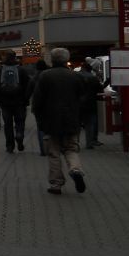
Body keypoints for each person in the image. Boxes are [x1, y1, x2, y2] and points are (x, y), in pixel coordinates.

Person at [32, 47, 87, 195]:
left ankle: (56, 184)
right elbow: (83, 99)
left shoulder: (45, 76)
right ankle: (75, 169)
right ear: (66, 59)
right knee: (71, 149)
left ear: (52, 59)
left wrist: (38, 116)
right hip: (71, 119)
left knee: (54, 153)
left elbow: (37, 100)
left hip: (51, 120)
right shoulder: (76, 76)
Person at [0, 52, 30, 153]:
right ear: (15, 58)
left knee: (8, 125)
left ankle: (10, 146)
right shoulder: (21, 70)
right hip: (19, 102)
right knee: (20, 122)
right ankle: (19, 135)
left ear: (5, 58)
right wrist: (26, 100)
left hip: (4, 103)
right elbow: (27, 86)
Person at [25, 59, 50, 156]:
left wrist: (25, 101)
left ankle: (43, 150)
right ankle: (53, 147)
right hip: (51, 105)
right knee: (52, 126)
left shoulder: (34, 78)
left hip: (38, 106)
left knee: (40, 128)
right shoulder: (50, 76)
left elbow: (28, 93)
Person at [78, 58, 103, 149]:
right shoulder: (93, 78)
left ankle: (75, 143)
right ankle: (89, 143)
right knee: (89, 125)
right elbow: (100, 89)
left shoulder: (75, 75)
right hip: (90, 104)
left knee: (77, 125)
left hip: (77, 104)